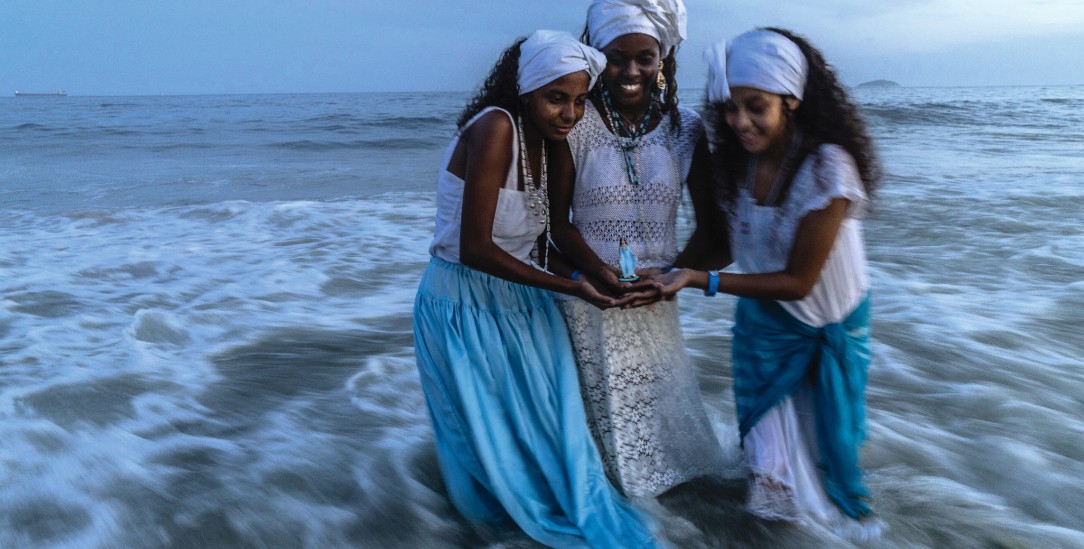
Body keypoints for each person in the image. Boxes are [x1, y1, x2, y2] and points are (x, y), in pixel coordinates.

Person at [412, 30, 660, 548]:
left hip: (523, 300)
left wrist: (597, 274)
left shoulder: (555, 145)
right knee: (489, 440)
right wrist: (571, 288)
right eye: (556, 98)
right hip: (462, 303)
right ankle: (492, 531)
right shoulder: (496, 127)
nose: (569, 113)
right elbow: (476, 246)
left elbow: (555, 233)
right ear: (525, 92)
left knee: (555, 425)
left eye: (577, 100)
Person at [655, 28, 884, 538]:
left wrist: (699, 279)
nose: (740, 121)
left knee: (822, 476)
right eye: (731, 108)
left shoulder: (829, 169)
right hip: (763, 335)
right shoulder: (740, 162)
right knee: (770, 479)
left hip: (827, 329)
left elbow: (800, 281)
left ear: (792, 99)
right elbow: (730, 244)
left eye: (755, 107)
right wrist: (667, 272)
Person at [549, 0, 727, 499]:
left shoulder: (686, 128)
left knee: (664, 444)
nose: (630, 71)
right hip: (586, 299)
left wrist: (675, 277)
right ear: (595, 55)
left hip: (655, 301)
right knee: (596, 437)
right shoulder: (574, 125)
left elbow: (717, 231)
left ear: (663, 58)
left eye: (644, 58)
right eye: (615, 57)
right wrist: (592, 275)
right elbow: (552, 226)